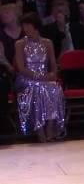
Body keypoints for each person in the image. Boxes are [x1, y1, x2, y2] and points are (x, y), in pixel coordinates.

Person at [14, 12, 65, 142]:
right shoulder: (20, 44)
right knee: (37, 88)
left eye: (28, 25)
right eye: (24, 26)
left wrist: (53, 74)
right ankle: (39, 129)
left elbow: (53, 64)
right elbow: (21, 68)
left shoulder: (48, 43)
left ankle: (50, 127)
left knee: (54, 88)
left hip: (45, 77)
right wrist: (38, 76)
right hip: (26, 78)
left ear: (35, 26)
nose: (25, 28)